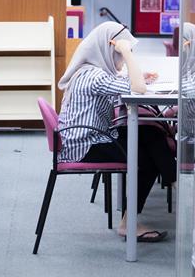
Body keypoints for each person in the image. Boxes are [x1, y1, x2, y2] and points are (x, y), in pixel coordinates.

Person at [57, 21, 176, 242]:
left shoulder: (91, 71)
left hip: (87, 137)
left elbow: (129, 83)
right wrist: (126, 53)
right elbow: (139, 89)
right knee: (147, 158)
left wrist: (133, 74)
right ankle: (133, 220)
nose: (122, 60)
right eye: (121, 54)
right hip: (86, 145)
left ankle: (171, 177)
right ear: (110, 49)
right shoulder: (95, 77)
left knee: (149, 134)